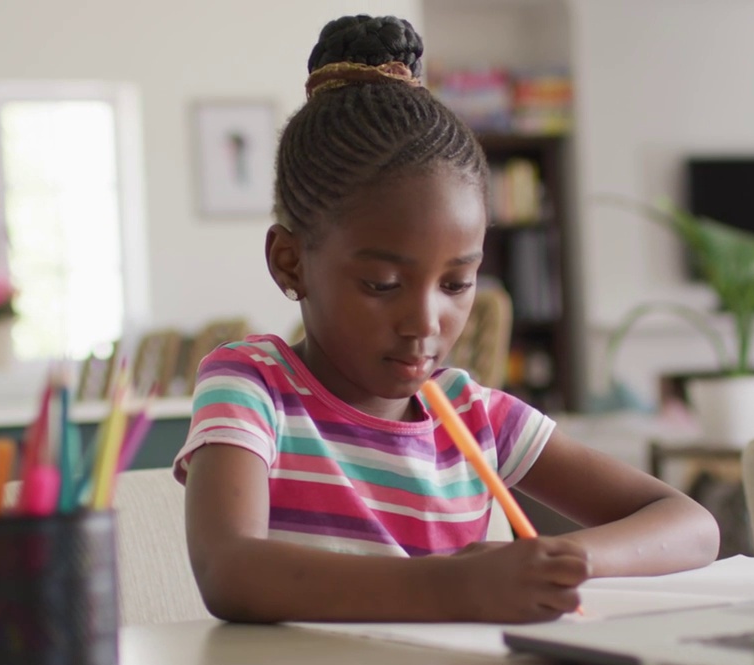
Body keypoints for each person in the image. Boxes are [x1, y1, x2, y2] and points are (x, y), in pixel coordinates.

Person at [176, 14, 719, 624]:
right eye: (382, 284)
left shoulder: (473, 415)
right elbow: (229, 571)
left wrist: (559, 559)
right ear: (290, 261)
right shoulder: (254, 387)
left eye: (457, 283)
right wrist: (454, 587)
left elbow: (692, 525)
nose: (424, 321)